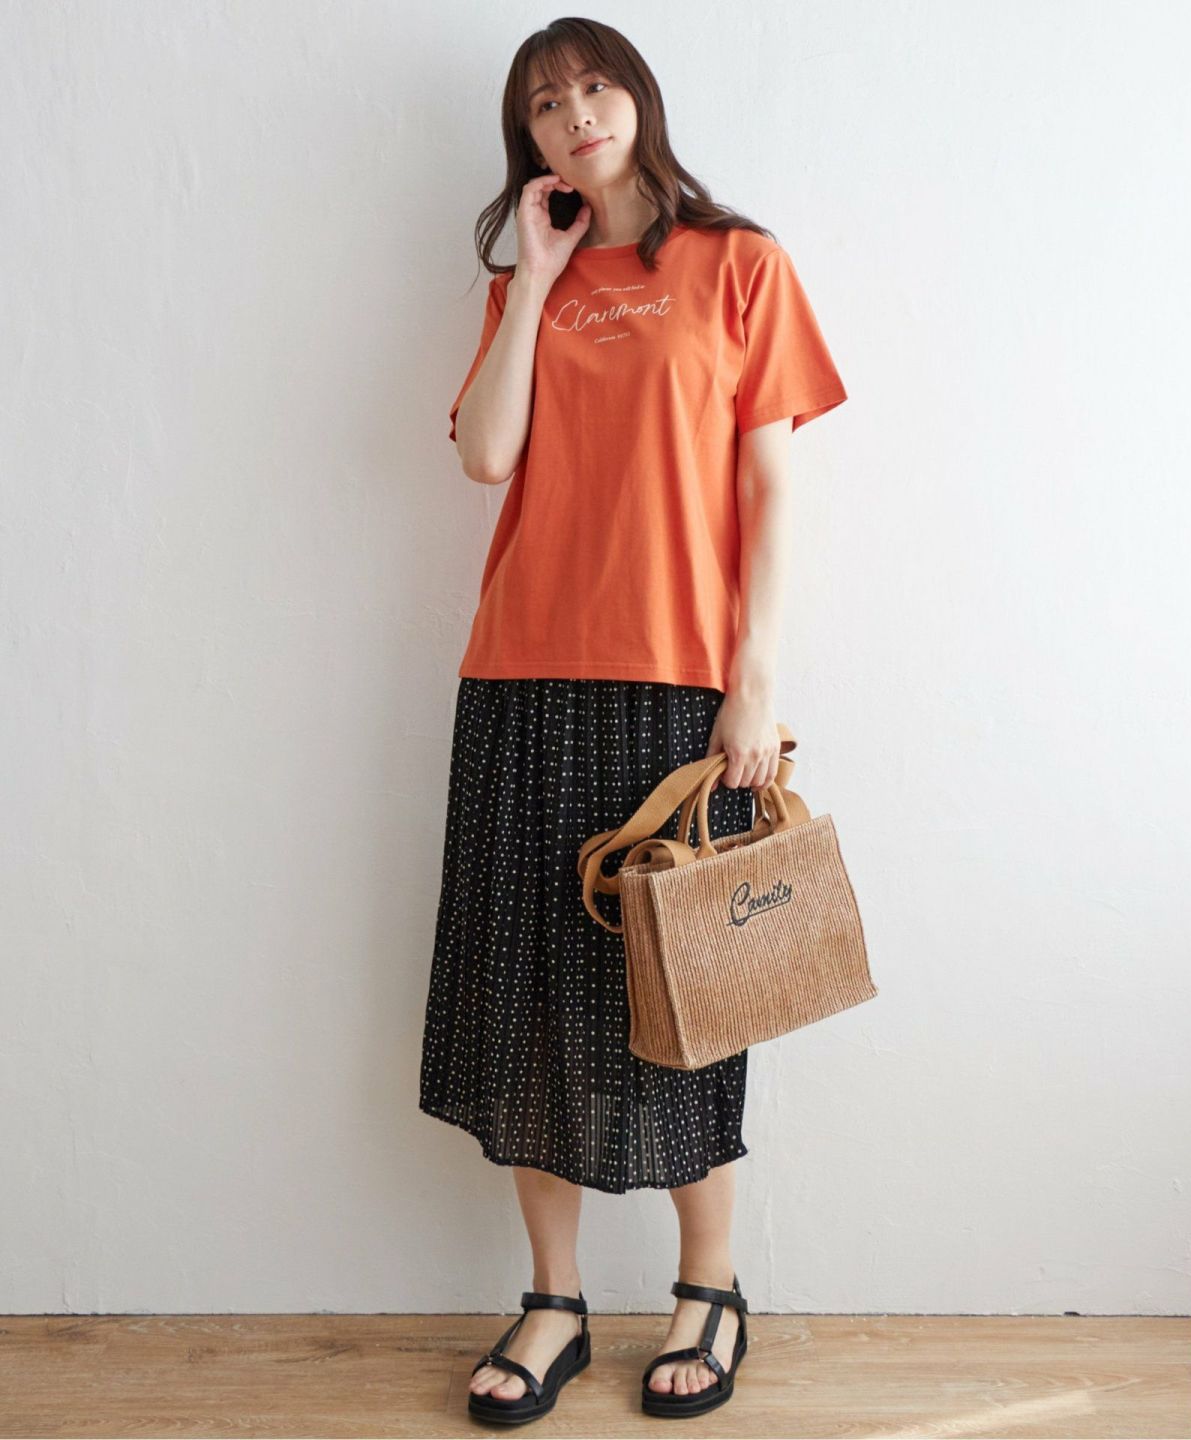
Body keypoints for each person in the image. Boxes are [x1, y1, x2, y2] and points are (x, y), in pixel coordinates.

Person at [418, 16, 848, 1425]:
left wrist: (754, 682)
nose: (576, 115)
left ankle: (709, 1286)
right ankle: (553, 1300)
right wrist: (538, 278)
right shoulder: (524, 288)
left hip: (677, 688)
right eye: (545, 106)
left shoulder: (739, 265)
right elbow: (487, 455)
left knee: (685, 993)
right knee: (528, 996)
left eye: (595, 86)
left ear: (639, 100)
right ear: (530, 142)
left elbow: (771, 493)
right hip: (522, 673)